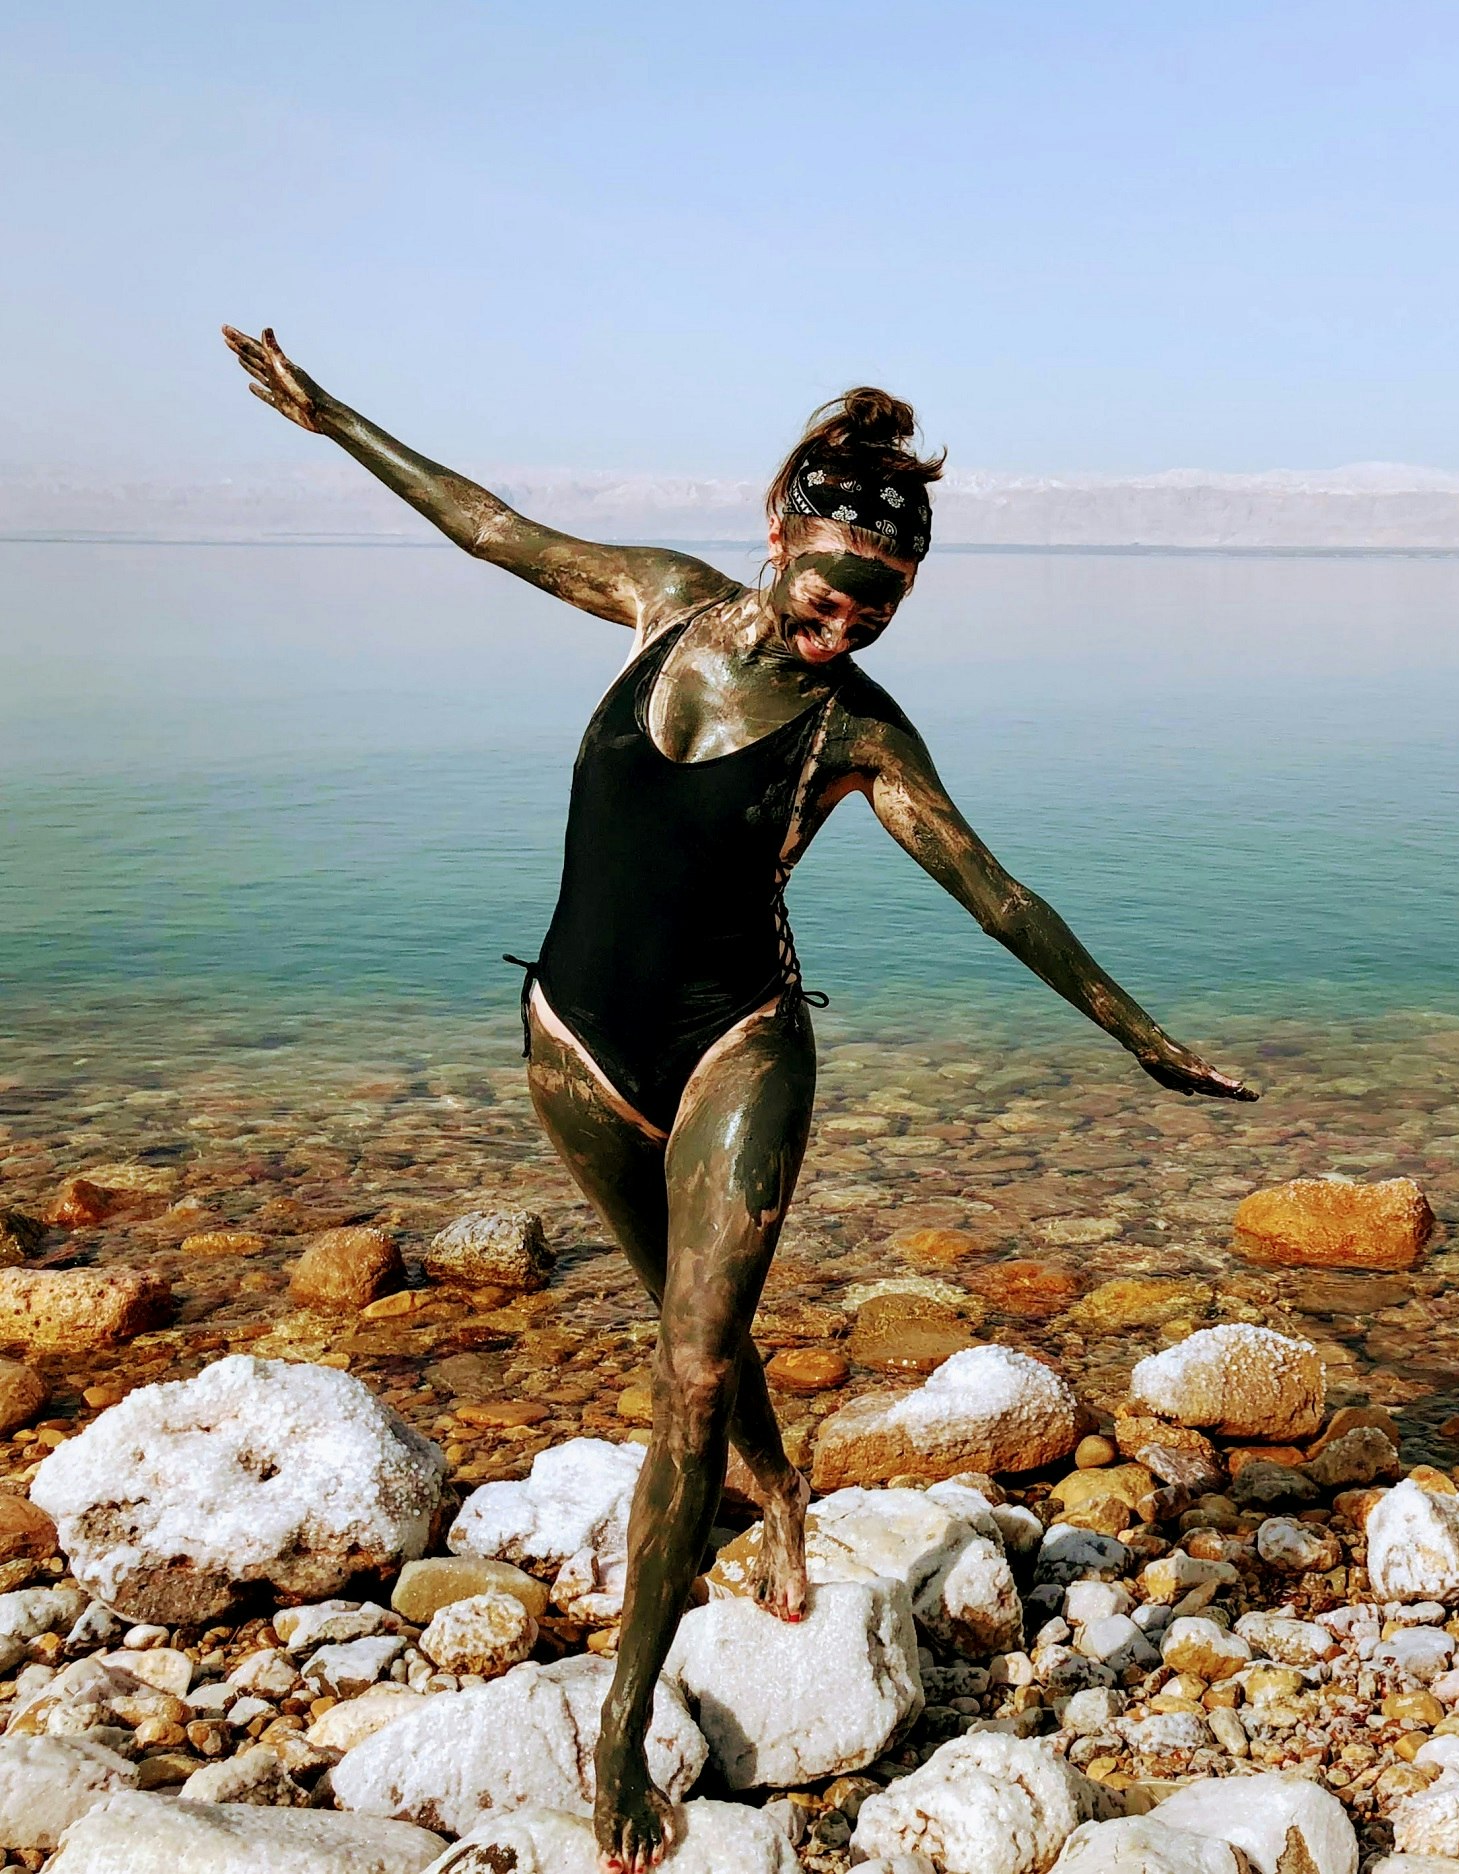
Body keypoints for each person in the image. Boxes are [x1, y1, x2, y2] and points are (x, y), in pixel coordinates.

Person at [221, 327, 1255, 1873]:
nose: (841, 625)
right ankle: (776, 1487)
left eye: (877, 610)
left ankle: (623, 1726)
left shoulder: (860, 733)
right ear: (778, 528)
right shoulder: (658, 599)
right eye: (831, 588)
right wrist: (332, 418)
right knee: (680, 1319)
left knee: (693, 1367)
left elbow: (997, 892)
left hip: (739, 1049)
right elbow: (487, 524)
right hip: (571, 1042)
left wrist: (1138, 1032)